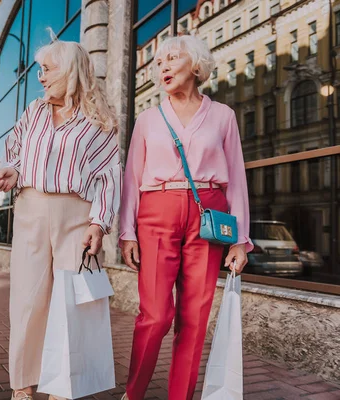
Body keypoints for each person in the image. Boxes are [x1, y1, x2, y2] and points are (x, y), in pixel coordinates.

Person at [118, 35, 253, 400]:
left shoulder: (223, 116)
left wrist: (240, 239)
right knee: (156, 314)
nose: (162, 67)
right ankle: (134, 393)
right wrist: (126, 232)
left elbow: (237, 178)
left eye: (171, 59)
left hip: (209, 213)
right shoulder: (147, 119)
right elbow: (132, 178)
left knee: (194, 318)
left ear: (195, 65)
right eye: (158, 63)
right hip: (156, 211)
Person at [0, 38, 121, 400]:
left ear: (71, 70)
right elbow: (15, 151)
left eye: (47, 69)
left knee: (71, 305)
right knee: (28, 302)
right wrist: (12, 171)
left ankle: (62, 386)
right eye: (40, 70)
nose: (41, 77)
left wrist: (99, 223)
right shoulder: (34, 110)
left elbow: (110, 175)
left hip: (76, 215)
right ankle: (22, 386)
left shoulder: (100, 120)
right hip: (31, 210)